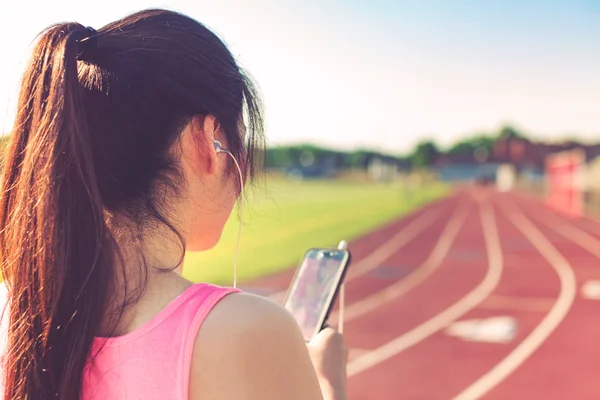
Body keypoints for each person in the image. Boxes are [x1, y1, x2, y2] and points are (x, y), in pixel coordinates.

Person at [0, 9, 348, 400]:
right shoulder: (247, 331)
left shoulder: (15, 311)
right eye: (241, 142)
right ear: (209, 141)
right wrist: (330, 384)